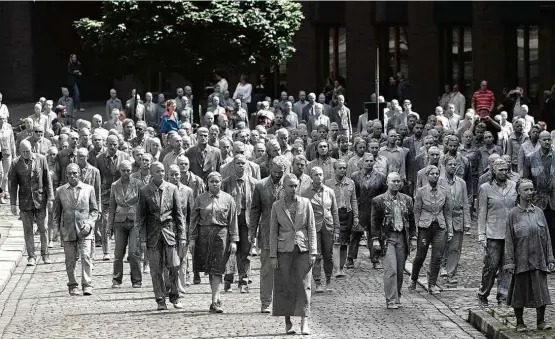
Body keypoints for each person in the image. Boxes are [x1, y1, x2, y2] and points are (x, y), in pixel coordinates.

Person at [505, 179, 555, 332]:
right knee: (519, 292)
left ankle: (541, 321)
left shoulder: (539, 212)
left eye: (531, 190)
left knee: (541, 291)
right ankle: (520, 322)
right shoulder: (513, 215)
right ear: (518, 192)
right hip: (521, 260)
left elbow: (547, 237)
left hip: (538, 259)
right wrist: (510, 262)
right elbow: (509, 240)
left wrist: (550, 258)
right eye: (526, 190)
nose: (529, 193)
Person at [270, 172, 317, 335]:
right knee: (285, 285)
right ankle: (288, 321)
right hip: (284, 251)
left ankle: (304, 321)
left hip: (302, 250)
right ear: (283, 187)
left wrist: (313, 252)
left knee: (304, 286)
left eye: (295, 186)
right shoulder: (276, 206)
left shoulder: (306, 203)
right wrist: (273, 256)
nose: (293, 189)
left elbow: (311, 228)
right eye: (290, 186)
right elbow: (273, 232)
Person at [137, 162, 186, 310]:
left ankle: (174, 295)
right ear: (151, 173)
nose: (161, 173)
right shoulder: (145, 191)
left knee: (174, 265)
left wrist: (182, 235)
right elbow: (141, 218)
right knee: (156, 269)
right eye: (158, 171)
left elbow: (179, 215)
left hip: (169, 232)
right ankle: (160, 299)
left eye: (163, 171)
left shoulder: (172, 189)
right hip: (152, 234)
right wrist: (143, 238)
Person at [189, 172, 238, 313]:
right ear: (207, 183)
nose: (214, 184)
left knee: (218, 269)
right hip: (204, 236)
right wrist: (192, 239)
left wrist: (234, 240)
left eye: (217, 181)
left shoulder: (228, 199)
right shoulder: (200, 199)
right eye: (212, 181)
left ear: (221, 182)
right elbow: (193, 221)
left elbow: (233, 221)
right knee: (210, 269)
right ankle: (215, 299)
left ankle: (215, 300)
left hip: (221, 235)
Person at [371, 172, 416, 308]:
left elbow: (412, 220)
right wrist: (375, 239)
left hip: (402, 237)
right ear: (387, 182)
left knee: (400, 270)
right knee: (391, 269)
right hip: (387, 238)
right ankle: (390, 299)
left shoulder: (407, 200)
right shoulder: (378, 200)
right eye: (393, 181)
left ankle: (397, 297)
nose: (396, 184)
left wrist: (413, 237)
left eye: (398, 182)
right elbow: (374, 222)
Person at [53, 163, 99, 296]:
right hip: (68, 229)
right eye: (69, 173)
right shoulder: (60, 191)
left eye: (75, 173)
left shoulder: (88, 189)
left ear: (79, 173)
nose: (72, 176)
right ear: (66, 174)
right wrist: (56, 230)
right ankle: (72, 285)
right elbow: (56, 213)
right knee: (70, 260)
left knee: (86, 256)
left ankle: (87, 284)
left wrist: (90, 223)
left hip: (85, 229)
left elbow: (95, 210)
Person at [250, 155, 287, 313]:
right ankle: (265, 302)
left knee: (285, 268)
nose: (277, 175)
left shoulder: (289, 184)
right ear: (270, 169)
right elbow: (255, 210)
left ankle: (284, 300)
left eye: (281, 172)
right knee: (266, 269)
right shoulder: (260, 186)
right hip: (266, 231)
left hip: (286, 232)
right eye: (275, 172)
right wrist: (252, 231)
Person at [477, 158, 517, 306]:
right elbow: (482, 212)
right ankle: (483, 293)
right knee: (490, 266)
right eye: (500, 170)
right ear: (493, 171)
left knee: (507, 267)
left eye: (506, 170)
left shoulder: (513, 186)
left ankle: (503, 296)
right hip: (493, 233)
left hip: (510, 233)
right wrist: (482, 234)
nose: (504, 172)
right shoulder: (485, 188)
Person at [9, 140, 54, 266]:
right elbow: (13, 185)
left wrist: (51, 198)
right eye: (23, 152)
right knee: (28, 230)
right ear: (19, 151)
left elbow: (47, 180)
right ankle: (31, 256)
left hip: (40, 200)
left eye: (27, 151)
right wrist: (13, 203)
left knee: (43, 229)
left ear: (31, 149)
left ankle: (45, 255)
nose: (26, 154)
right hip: (25, 201)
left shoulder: (41, 159)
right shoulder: (15, 163)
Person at [410, 166, 453, 294]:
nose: (435, 176)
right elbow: (416, 211)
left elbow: (448, 212)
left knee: (437, 256)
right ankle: (413, 278)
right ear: (427, 176)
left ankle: (432, 283)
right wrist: (416, 229)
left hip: (439, 226)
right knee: (420, 255)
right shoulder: (421, 191)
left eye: (437, 174)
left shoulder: (445, 191)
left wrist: (449, 230)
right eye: (432, 174)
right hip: (424, 227)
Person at [221, 154, 257, 293]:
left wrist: (255, 226)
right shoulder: (226, 183)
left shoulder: (254, 183)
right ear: (233, 165)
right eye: (238, 163)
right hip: (231, 220)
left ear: (247, 165)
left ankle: (244, 281)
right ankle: (228, 280)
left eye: (243, 163)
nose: (241, 166)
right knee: (230, 250)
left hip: (246, 220)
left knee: (245, 251)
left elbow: (256, 206)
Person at [301, 166, 339, 293]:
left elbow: (334, 211)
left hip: (328, 226)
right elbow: (304, 213)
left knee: (329, 255)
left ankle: (328, 280)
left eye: (321, 174)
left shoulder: (330, 191)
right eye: (316, 175)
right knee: (316, 255)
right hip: (313, 227)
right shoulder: (306, 193)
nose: (319, 177)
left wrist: (337, 229)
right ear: (311, 177)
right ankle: (318, 282)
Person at [108, 160, 143, 289]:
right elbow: (112, 206)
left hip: (134, 221)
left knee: (134, 252)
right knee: (118, 253)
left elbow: (142, 203)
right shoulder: (114, 185)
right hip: (119, 221)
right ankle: (117, 279)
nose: (126, 173)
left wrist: (143, 222)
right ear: (119, 171)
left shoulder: (138, 184)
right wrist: (109, 226)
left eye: (128, 170)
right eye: (123, 170)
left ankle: (136, 280)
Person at [351, 153, 387, 269]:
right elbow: (352, 194)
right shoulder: (355, 176)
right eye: (367, 161)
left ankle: (375, 259)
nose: (369, 163)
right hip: (360, 208)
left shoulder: (380, 176)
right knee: (355, 234)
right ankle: (350, 258)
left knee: (374, 234)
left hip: (374, 209)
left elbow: (383, 194)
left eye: (371, 161)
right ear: (362, 163)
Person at [439, 156, 471, 284]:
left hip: (458, 217)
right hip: (443, 217)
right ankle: (442, 266)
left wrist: (467, 221)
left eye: (455, 164)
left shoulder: (461, 183)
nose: (453, 167)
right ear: (444, 166)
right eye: (450, 164)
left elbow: (465, 202)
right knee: (442, 244)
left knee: (455, 247)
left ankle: (451, 272)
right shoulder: (439, 181)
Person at [523, 131, 555, 253]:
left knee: (553, 230)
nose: (547, 142)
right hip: (537, 201)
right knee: (538, 230)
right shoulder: (531, 158)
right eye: (544, 140)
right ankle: (539, 256)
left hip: (553, 200)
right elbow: (526, 180)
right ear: (540, 141)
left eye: (549, 140)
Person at [325, 160, 358, 277]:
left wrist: (356, 217)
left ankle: (341, 268)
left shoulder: (351, 183)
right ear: (335, 169)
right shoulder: (328, 184)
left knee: (344, 243)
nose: (343, 170)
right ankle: (337, 269)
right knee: (336, 242)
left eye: (344, 168)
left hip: (347, 214)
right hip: (335, 214)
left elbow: (353, 200)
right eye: (340, 168)